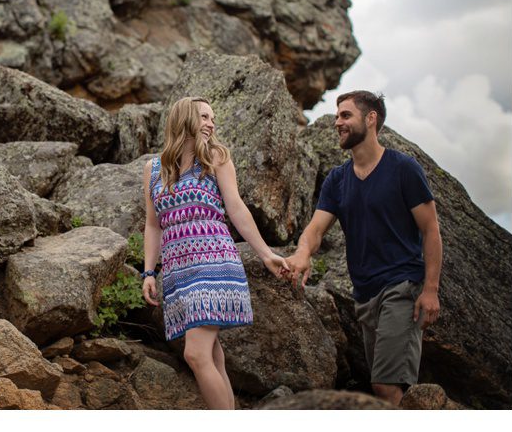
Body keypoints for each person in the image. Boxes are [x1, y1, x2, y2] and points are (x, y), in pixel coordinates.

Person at [283, 90, 442, 407]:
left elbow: (431, 229)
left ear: (371, 119)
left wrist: (430, 290)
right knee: (387, 388)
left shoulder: (403, 169)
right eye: (337, 115)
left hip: (402, 287)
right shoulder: (337, 180)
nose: (337, 122)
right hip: (365, 295)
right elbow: (315, 230)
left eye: (345, 115)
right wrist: (302, 253)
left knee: (384, 385)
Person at [139, 97, 290, 410]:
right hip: (178, 270)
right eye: (204, 117)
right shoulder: (153, 170)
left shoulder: (217, 159)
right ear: (184, 119)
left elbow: (236, 208)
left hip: (215, 261)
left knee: (195, 354)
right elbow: (153, 225)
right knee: (211, 353)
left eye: (213, 118)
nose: (211, 123)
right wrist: (149, 271)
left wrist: (265, 253)